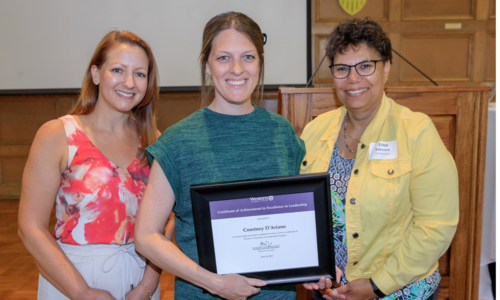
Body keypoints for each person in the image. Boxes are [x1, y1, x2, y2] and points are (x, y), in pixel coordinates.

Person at [134, 11, 305, 300]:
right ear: (206, 65)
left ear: (260, 64)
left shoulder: (282, 132)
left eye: (248, 57)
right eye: (224, 57)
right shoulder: (178, 141)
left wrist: (316, 265)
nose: (237, 69)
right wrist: (213, 282)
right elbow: (147, 237)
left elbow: (294, 220)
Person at [300, 18, 459, 300]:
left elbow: (436, 226)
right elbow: (302, 213)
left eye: (365, 66)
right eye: (342, 68)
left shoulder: (416, 132)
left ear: (386, 68)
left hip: (399, 291)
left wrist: (377, 285)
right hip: (331, 291)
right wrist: (313, 268)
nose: (353, 78)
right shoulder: (315, 131)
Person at [18, 30, 169, 300]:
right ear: (96, 74)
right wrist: (83, 292)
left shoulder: (154, 141)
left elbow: (167, 223)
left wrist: (147, 286)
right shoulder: (57, 135)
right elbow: (30, 227)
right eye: (118, 70)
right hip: (72, 282)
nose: (129, 82)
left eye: (140, 74)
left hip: (140, 285)